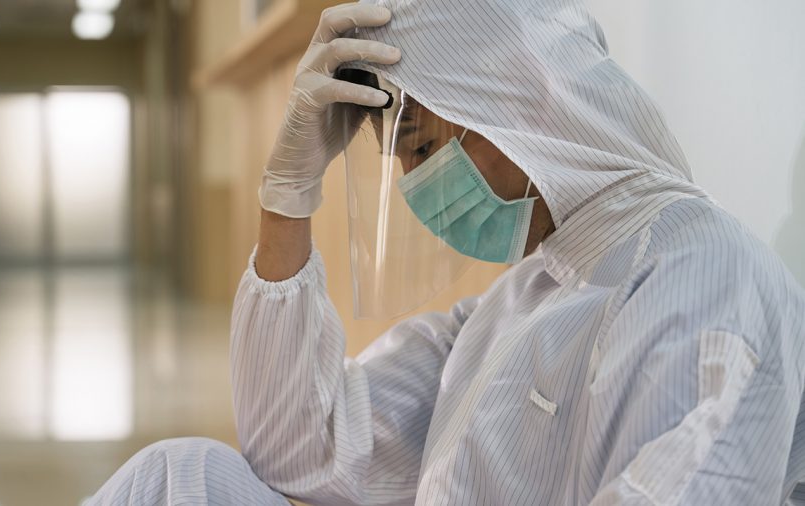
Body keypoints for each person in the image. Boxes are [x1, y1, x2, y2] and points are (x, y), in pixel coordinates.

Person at [89, 1, 805, 504]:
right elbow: (296, 449)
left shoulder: (702, 273)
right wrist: (288, 196)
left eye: (423, 147)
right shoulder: (515, 307)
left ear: (524, 104)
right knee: (179, 481)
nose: (415, 189)